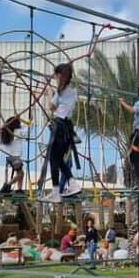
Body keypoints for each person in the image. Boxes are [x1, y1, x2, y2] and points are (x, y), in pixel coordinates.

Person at [47, 63, 79, 198]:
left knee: (53, 158)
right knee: (57, 158)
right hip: (67, 127)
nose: (54, 78)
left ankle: (58, 190)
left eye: (55, 75)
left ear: (59, 75)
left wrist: (50, 93)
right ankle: (69, 184)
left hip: (59, 126)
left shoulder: (60, 91)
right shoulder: (72, 90)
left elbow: (51, 107)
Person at [0, 116, 25, 194]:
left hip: (9, 156)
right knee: (21, 173)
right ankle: (7, 185)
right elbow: (27, 132)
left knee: (20, 172)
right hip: (15, 157)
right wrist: (30, 122)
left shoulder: (6, 131)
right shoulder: (17, 132)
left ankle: (19, 189)